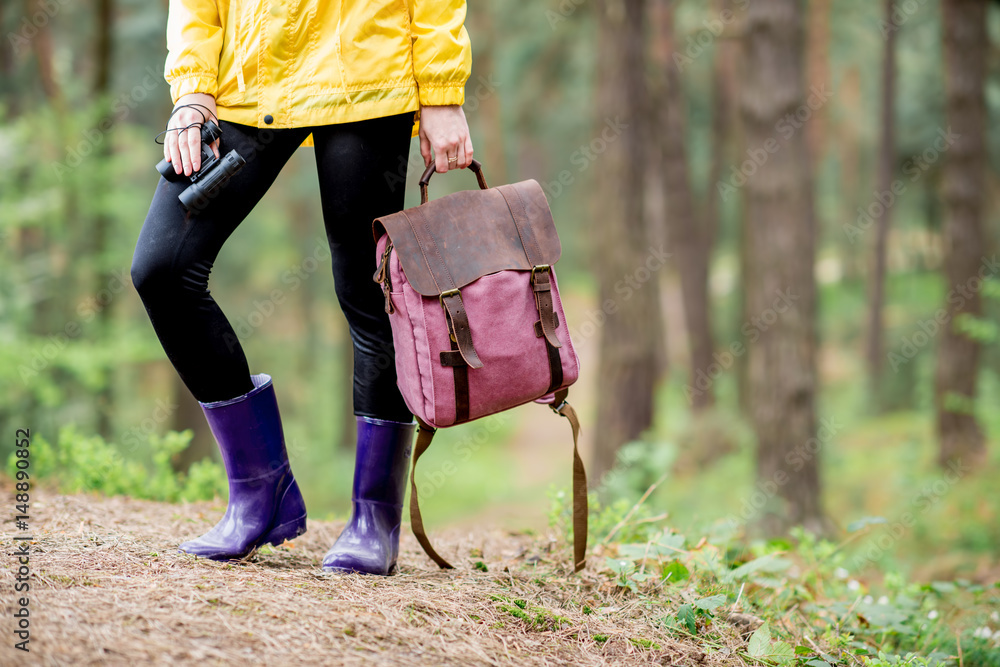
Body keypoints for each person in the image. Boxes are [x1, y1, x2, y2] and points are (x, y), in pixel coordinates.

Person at [130, 0, 474, 576]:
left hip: (365, 76)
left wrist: (442, 92)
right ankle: (261, 492)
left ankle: (375, 516)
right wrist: (193, 88)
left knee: (370, 298)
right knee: (162, 269)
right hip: (247, 79)